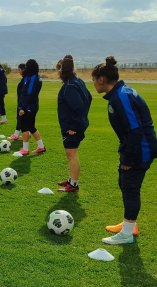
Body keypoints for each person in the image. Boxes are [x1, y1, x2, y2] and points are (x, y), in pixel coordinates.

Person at [92, 56, 157, 244]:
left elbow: (135, 130)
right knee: (125, 184)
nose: (93, 84)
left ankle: (127, 234)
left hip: (141, 150)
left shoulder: (121, 96)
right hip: (135, 148)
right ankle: (129, 224)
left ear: (101, 79)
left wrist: (128, 159)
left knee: (130, 187)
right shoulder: (120, 93)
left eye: (93, 80)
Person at [56, 56, 92, 192]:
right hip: (77, 124)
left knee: (72, 154)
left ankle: (73, 185)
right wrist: (82, 119)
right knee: (71, 154)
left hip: (72, 127)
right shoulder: (78, 81)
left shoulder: (69, 86)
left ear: (61, 71)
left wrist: (74, 126)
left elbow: (78, 106)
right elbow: (89, 98)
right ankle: (71, 179)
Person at [17, 59, 46, 155]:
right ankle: (41, 147)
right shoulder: (35, 77)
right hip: (32, 105)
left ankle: (25, 149)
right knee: (31, 127)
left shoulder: (32, 78)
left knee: (24, 126)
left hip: (28, 106)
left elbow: (29, 94)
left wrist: (22, 107)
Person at [9, 63, 26, 141]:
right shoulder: (24, 78)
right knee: (22, 118)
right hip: (21, 101)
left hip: (22, 103)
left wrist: (22, 105)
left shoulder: (26, 79)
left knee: (20, 118)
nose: (18, 71)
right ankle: (26, 134)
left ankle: (16, 135)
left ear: (23, 70)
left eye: (19, 70)